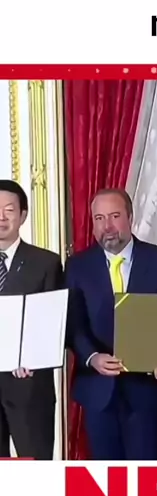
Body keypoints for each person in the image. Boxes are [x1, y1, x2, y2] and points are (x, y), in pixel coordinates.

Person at [65, 188, 157, 460]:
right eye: (99, 218)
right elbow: (73, 324)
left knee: (144, 478)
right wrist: (92, 357)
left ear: (130, 217)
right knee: (107, 479)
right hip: (97, 391)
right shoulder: (77, 266)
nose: (107, 226)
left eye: (115, 216)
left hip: (148, 392)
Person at [0, 179, 64, 459]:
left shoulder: (46, 262)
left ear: (23, 215)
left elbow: (54, 322)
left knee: (36, 467)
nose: (1, 217)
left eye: (9, 210)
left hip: (29, 386)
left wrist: (34, 359)